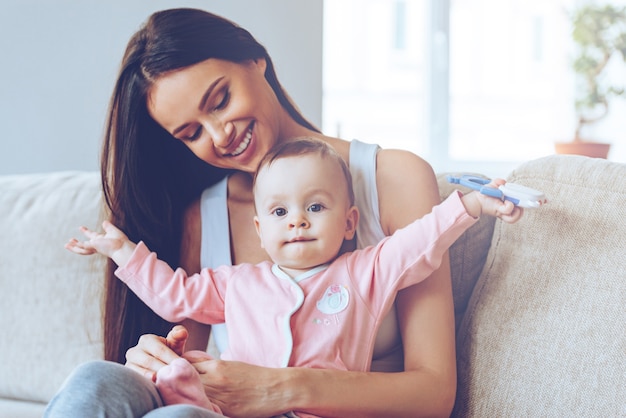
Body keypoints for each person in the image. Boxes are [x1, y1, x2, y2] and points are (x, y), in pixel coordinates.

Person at [44, 7, 523, 418]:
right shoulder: (201, 217)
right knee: (96, 383)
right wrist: (157, 359)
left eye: (220, 100)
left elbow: (434, 392)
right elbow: (186, 335)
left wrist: (277, 388)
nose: (219, 135)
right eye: (191, 133)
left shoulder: (392, 179)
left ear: (256, 60)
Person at [65, 138, 521, 417]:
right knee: (100, 380)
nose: (298, 221)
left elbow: (418, 243)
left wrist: (471, 206)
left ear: (349, 222)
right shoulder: (237, 283)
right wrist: (120, 249)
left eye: (316, 207)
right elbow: (176, 296)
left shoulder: (363, 273)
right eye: (281, 212)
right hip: (223, 411)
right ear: (261, 231)